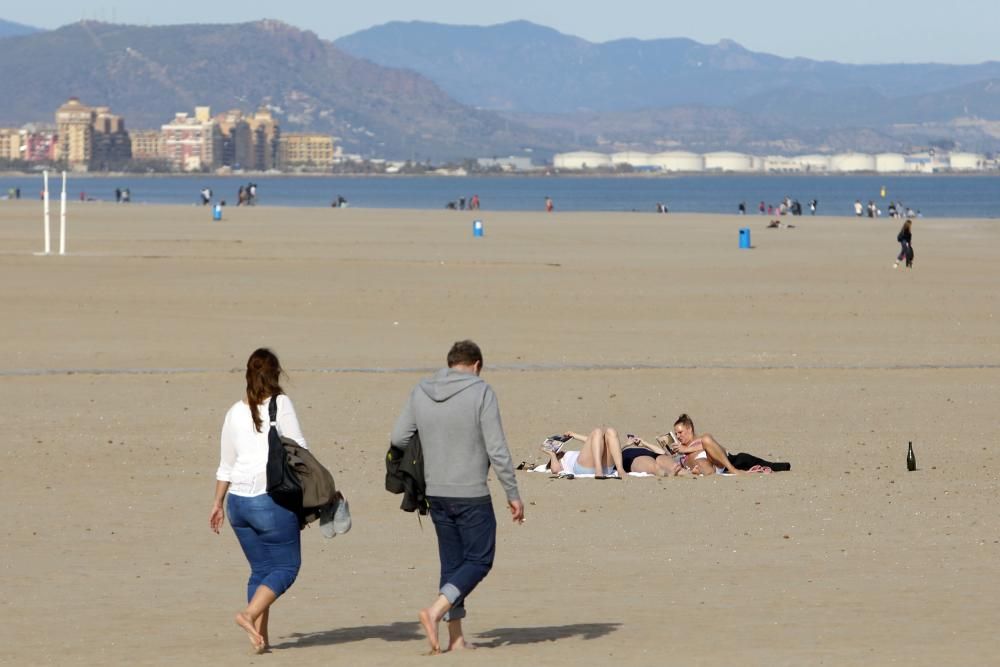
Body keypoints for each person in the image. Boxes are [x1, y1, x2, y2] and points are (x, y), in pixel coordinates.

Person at [390, 340, 524, 654]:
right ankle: (434, 612)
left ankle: (456, 639)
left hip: (435, 491)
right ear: (476, 365)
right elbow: (498, 450)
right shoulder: (481, 392)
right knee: (479, 559)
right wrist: (513, 494)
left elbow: (398, 437)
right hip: (471, 492)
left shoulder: (421, 390)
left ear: (450, 363)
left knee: (452, 565)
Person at [209, 348, 307, 653]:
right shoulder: (281, 403)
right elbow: (299, 448)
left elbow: (227, 463)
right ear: (276, 374)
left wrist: (217, 504)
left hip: (237, 503)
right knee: (287, 567)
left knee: (261, 570)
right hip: (270, 501)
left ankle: (259, 639)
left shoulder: (234, 411)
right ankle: (248, 614)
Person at [672, 414, 789, 475]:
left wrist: (686, 449)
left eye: (680, 432)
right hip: (711, 466)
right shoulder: (681, 451)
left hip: (728, 460)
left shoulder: (700, 440)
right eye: (676, 434)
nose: (678, 436)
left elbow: (712, 446)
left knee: (768, 465)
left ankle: (732, 469)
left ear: (689, 429)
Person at [541, 427, 628, 478]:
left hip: (605, 468)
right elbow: (555, 470)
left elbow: (594, 441)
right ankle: (598, 469)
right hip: (583, 468)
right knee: (597, 431)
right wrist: (552, 455)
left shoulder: (568, 453)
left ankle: (620, 469)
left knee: (611, 431)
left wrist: (574, 435)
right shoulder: (558, 459)